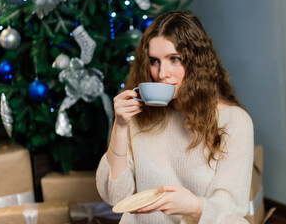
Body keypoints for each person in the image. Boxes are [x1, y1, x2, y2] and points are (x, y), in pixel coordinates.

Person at [96, 11, 254, 224]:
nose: (162, 74)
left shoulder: (234, 121)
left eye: (174, 59)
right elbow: (115, 196)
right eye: (154, 61)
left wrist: (194, 207)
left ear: (197, 61)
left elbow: (232, 207)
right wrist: (121, 125)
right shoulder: (139, 115)